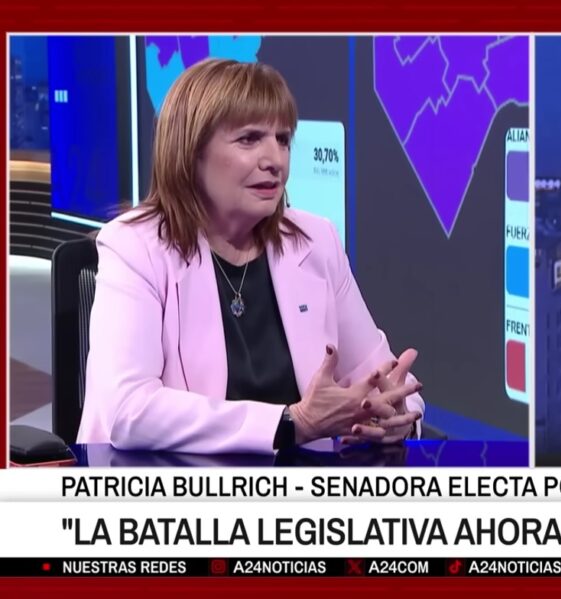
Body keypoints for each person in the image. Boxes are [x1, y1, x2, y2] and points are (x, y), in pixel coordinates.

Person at [78, 59, 424, 454]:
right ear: (190, 151)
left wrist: (395, 414)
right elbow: (127, 409)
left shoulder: (316, 240)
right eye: (249, 139)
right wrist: (291, 423)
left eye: (282, 139)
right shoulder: (135, 246)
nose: (275, 160)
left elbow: (383, 379)